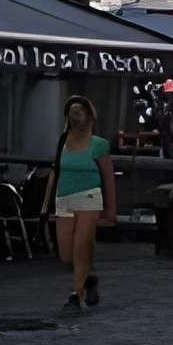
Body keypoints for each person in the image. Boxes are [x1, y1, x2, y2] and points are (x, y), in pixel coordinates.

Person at [45, 94, 115, 313]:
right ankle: (88, 279)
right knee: (66, 254)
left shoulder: (99, 145)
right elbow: (55, 171)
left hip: (89, 197)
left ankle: (77, 295)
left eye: (80, 112)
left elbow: (108, 178)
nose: (76, 117)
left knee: (81, 248)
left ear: (89, 116)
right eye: (72, 112)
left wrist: (110, 211)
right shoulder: (62, 141)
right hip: (64, 198)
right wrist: (46, 203)